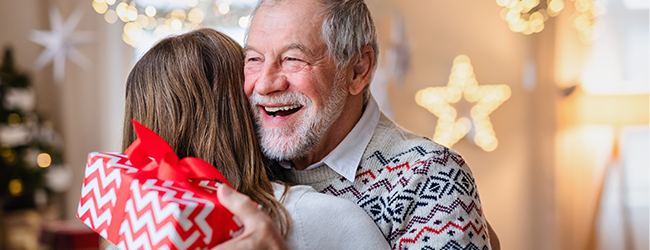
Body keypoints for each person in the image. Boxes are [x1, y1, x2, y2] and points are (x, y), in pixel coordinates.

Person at [213, 0, 500, 249]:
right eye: (254, 59)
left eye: (292, 59)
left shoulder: (430, 177)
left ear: (357, 70)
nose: (264, 84)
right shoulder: (236, 159)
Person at [108, 28, 390, 250]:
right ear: (239, 110)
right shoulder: (322, 218)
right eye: (253, 65)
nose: (265, 88)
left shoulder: (127, 227)